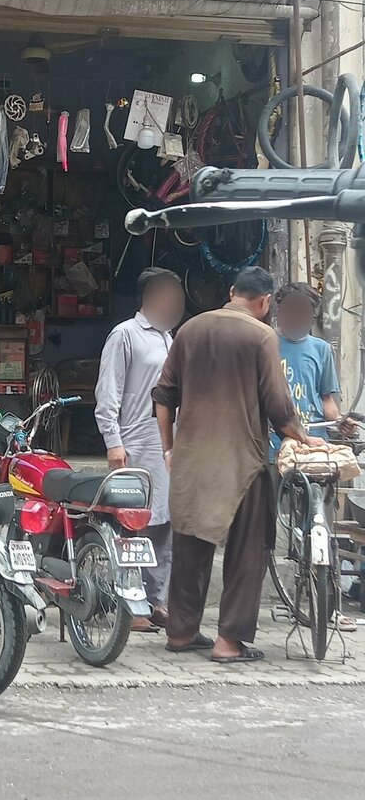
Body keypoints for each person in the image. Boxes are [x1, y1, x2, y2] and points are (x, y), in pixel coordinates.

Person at [152, 266, 324, 664]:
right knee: (249, 550)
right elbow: (278, 405)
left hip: (192, 457)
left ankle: (180, 632)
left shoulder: (190, 329)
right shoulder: (261, 335)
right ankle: (229, 641)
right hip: (241, 461)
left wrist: (169, 448)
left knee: (191, 544)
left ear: (232, 292)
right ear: (265, 303)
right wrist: (301, 436)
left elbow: (164, 396)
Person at [94, 268, 185, 631]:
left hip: (167, 444)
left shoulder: (171, 338)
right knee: (132, 525)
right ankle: (131, 603)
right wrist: (113, 442)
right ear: (147, 298)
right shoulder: (125, 335)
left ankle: (156, 599)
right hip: (135, 443)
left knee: (164, 524)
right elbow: (108, 393)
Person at [270, 282, 355, 455]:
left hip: (312, 442)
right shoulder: (265, 342)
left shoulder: (321, 349)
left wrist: (340, 421)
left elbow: (326, 400)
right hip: (274, 442)